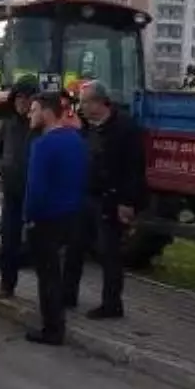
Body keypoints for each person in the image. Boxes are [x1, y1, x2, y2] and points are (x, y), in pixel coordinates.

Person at [67, 80, 146, 319]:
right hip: (85, 197)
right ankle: (67, 295)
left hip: (110, 200)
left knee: (108, 253)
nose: (81, 108)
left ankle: (112, 304)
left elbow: (135, 168)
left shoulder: (125, 128)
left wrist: (128, 202)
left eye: (84, 103)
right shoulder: (86, 127)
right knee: (74, 248)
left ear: (99, 102)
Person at [23, 92, 89, 345]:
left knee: (48, 276)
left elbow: (36, 188)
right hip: (72, 215)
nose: (30, 114)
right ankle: (58, 318)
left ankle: (52, 329)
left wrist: (29, 217)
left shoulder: (43, 145)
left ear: (47, 113)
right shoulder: (76, 140)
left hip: (46, 218)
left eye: (34, 110)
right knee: (60, 271)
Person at [0, 77, 39, 297]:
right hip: (11, 192)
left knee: (38, 244)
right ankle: (6, 284)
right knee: (8, 240)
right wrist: (2, 167)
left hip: (35, 193)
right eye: (19, 97)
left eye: (27, 98)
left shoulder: (39, 125)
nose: (22, 102)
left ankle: (47, 293)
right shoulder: (8, 125)